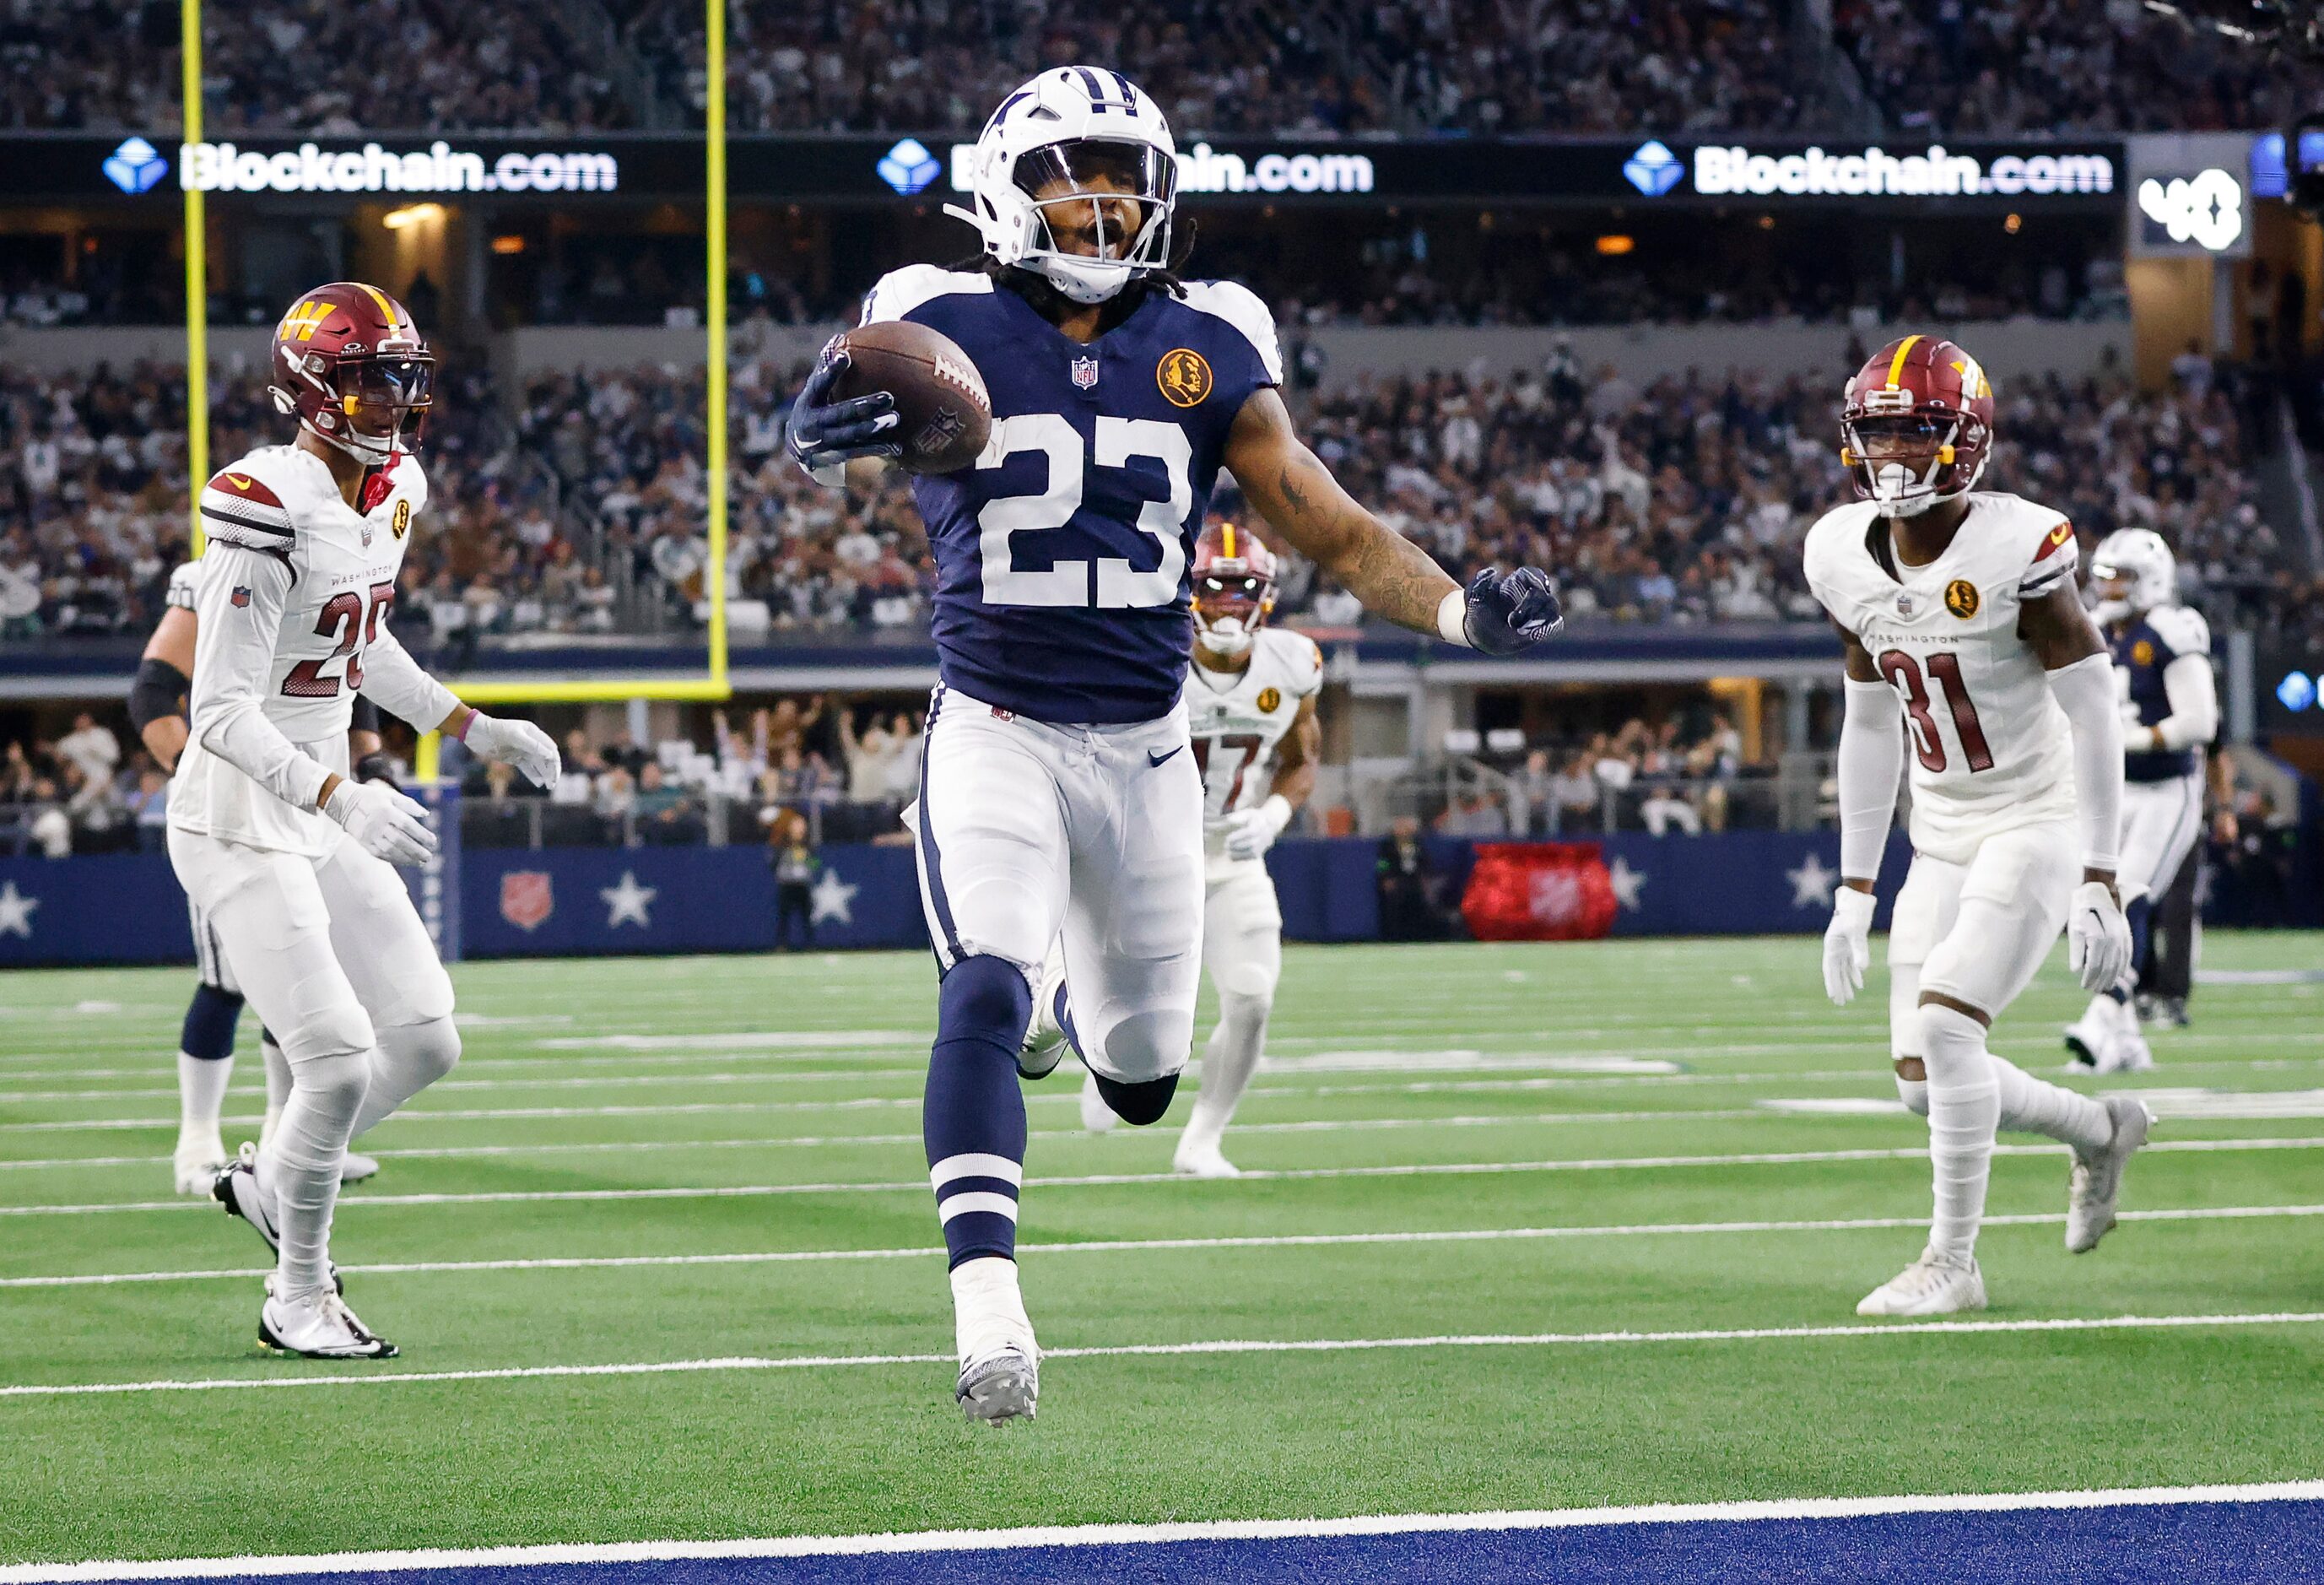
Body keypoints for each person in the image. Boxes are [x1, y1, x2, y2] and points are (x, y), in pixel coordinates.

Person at [784, 68, 1560, 1424]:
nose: (1104, 196)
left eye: (1125, 171)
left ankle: (1063, 1023)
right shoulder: (929, 311)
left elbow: (1329, 528)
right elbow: (857, 461)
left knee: (1141, 1081)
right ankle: (989, 1312)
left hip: (1149, 751)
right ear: (1000, 186)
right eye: (1069, 170)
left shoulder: (1210, 337)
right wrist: (828, 440)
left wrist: (1457, 606)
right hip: (996, 727)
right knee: (979, 991)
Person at [176, 281, 559, 1359]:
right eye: (368, 378)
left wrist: (475, 728)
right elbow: (217, 712)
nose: (393, 398)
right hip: (240, 816)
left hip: (321, 803)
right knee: (338, 1059)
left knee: (427, 1038)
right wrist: (340, 793)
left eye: (402, 377)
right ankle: (298, 1293)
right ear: (310, 384)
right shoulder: (265, 499)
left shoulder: (394, 489)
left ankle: (267, 1177)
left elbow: (361, 647)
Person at [1808, 334, 2150, 1318]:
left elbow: (2095, 711)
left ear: (1966, 444)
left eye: (1919, 434)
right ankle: (2099, 1129)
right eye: (1880, 435)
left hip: (2036, 816)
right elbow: (1870, 722)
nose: (1896, 458)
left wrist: (2099, 874)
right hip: (1943, 829)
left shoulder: (2020, 550)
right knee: (1924, 1080)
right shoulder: (1837, 553)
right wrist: (1853, 889)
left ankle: (1952, 1262)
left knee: (1951, 1026)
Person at [127, 553, 401, 1194]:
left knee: (305, 973)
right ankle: (196, 1146)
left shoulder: (342, 565)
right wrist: (194, 775)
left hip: (314, 803)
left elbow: (347, 687)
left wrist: (376, 768)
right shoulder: (222, 571)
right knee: (226, 983)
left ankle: (289, 1146)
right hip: (236, 809)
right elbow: (152, 690)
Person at [1067, 522, 1321, 1177]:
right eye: (1213, 589)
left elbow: (1301, 760)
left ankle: (1203, 1139)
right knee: (1133, 1009)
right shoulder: (1155, 654)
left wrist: (1275, 812)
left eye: (1242, 592)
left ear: (1266, 597)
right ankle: (1104, 1071)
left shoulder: (1293, 665)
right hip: (1148, 852)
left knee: (1253, 998)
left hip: (1233, 852)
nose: (1229, 606)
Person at [2060, 530, 2217, 1072]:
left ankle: (2104, 1016)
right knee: (2096, 902)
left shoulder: (2173, 629)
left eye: (2119, 576)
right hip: (2114, 789)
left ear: (2150, 579)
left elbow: (2201, 721)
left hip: (2167, 790)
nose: (2107, 587)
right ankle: (2128, 1045)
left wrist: (2136, 738)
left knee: (2128, 896)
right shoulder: (2097, 629)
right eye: (2102, 575)